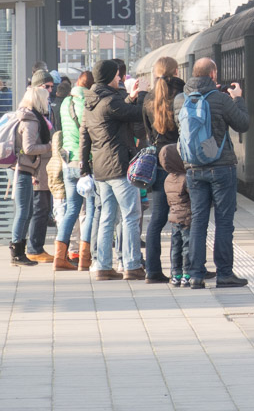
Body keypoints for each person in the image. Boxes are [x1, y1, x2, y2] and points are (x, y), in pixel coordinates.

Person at [174, 57, 249, 288]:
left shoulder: (180, 100)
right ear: (213, 75)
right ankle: (224, 273)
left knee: (198, 221)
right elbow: (242, 124)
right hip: (221, 167)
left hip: (193, 168)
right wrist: (237, 100)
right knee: (224, 222)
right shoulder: (221, 99)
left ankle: (195, 274)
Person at [79, 59, 145, 280]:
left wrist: (85, 167)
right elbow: (135, 114)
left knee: (107, 216)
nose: (120, 78)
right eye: (117, 75)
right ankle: (132, 265)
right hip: (119, 166)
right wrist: (138, 96)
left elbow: (85, 136)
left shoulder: (90, 102)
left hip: (100, 169)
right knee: (130, 215)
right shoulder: (110, 101)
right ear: (109, 77)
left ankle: (104, 266)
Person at [141, 56, 185, 284]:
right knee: (184, 217)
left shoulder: (148, 98)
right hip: (179, 162)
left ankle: (153, 271)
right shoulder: (182, 94)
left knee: (157, 219)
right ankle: (184, 267)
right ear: (176, 71)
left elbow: (148, 132)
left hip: (157, 162)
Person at [9, 86, 52, 266]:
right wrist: (49, 147)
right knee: (23, 212)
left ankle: (20, 251)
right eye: (46, 99)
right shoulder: (31, 120)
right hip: (23, 169)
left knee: (26, 212)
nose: (48, 102)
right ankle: (17, 253)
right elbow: (29, 148)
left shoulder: (26, 116)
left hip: (23, 169)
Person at [61, 71, 95, 270]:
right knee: (90, 210)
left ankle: (60, 257)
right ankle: (85, 258)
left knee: (71, 209)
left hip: (68, 162)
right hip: (85, 163)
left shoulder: (66, 103)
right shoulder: (88, 104)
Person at [25, 70, 56, 263]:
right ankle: (34, 247)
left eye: (52, 87)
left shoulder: (45, 109)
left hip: (44, 165)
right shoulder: (32, 112)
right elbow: (29, 146)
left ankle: (37, 246)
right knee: (39, 208)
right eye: (46, 87)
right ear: (37, 88)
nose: (50, 90)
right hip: (36, 166)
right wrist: (50, 146)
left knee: (43, 208)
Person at [159, 144, 191, 287]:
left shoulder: (167, 179)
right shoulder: (185, 178)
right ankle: (186, 273)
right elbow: (194, 197)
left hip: (173, 218)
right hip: (186, 218)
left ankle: (175, 274)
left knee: (175, 246)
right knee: (187, 247)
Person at [47, 129, 75, 270]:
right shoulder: (62, 161)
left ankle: (62, 255)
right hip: (63, 196)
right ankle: (66, 255)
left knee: (62, 223)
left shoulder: (52, 160)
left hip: (57, 196)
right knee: (68, 224)